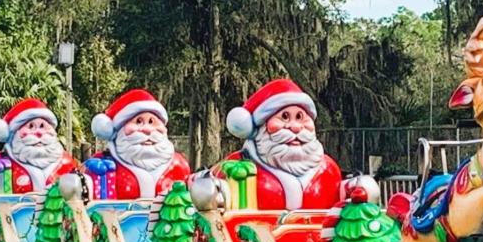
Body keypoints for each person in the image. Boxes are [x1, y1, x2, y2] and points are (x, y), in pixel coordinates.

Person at [216, 78, 375, 210]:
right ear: (261, 126)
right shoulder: (237, 166)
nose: (295, 127)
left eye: (300, 117)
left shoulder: (327, 168)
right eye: (284, 117)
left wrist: (355, 188)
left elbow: (338, 198)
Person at [85, 88, 190, 199]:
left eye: (151, 121)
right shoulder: (103, 165)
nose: (147, 130)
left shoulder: (179, 164)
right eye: (138, 121)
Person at [0, 98, 76, 193]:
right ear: (14, 134)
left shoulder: (67, 162)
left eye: (42, 126)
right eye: (31, 126)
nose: (39, 133)